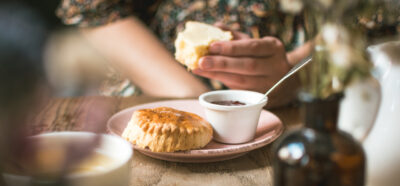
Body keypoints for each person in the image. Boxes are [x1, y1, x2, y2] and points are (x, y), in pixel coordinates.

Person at [56, 0, 315, 107]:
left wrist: (291, 74)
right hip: (156, 92)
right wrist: (191, 100)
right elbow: (96, 10)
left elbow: (351, 29)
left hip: (302, 102)